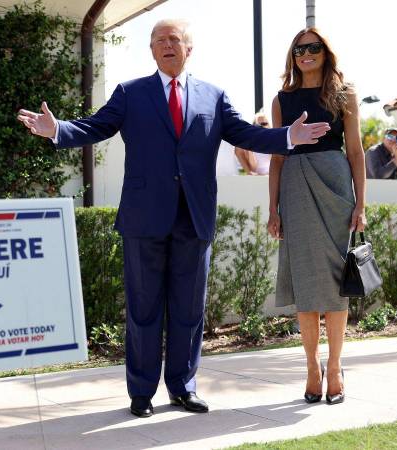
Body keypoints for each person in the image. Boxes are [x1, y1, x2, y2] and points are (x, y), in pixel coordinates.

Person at [18, 19, 329, 418]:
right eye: (159, 41)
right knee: (144, 310)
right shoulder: (131, 93)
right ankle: (142, 393)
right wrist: (57, 129)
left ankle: (183, 387)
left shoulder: (213, 96)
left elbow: (243, 135)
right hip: (144, 220)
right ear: (151, 50)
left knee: (188, 310)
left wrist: (287, 137)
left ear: (188, 48)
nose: (167, 45)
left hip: (193, 219)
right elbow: (96, 126)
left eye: (174, 39)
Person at [267, 27, 367, 405]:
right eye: (299, 49)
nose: (305, 54)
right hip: (295, 187)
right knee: (307, 281)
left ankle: (336, 365)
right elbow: (276, 159)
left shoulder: (345, 94)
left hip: (336, 187)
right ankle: (312, 366)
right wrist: (273, 208)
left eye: (313, 48)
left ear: (326, 52)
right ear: (292, 56)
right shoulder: (282, 100)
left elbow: (356, 153)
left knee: (336, 282)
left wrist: (361, 204)